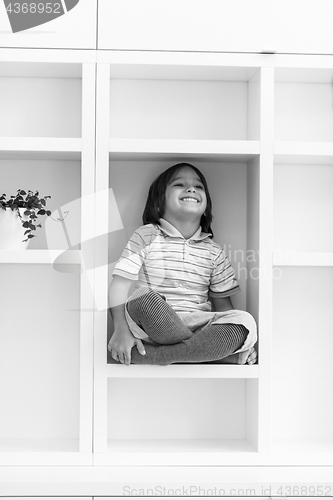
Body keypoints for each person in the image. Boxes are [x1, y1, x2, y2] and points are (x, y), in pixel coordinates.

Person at [108, 163, 257, 366]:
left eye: (199, 186)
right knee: (142, 298)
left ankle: (156, 356)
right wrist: (120, 330)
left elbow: (223, 307)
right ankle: (205, 355)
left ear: (206, 206)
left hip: (198, 326)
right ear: (159, 202)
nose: (191, 189)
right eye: (179, 184)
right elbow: (119, 286)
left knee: (244, 321)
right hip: (152, 325)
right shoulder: (146, 235)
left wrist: (237, 340)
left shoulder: (214, 251)